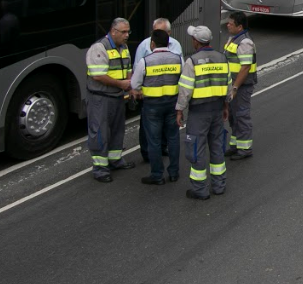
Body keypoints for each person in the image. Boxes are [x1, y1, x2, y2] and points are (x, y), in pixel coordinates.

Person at [176, 25, 231, 200]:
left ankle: (200, 190)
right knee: (216, 147)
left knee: (196, 149)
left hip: (199, 113)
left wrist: (179, 110)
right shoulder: (222, 58)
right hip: (216, 110)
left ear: (196, 41)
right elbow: (228, 87)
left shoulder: (191, 61)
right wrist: (225, 107)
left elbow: (185, 90)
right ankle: (219, 185)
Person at [85, 18, 136, 183]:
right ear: (113, 31)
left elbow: (128, 69)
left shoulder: (124, 48)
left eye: (128, 32)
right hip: (101, 97)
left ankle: (115, 160)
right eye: (123, 32)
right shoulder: (99, 48)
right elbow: (98, 75)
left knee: (117, 130)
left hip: (117, 96)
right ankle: (100, 168)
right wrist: (121, 84)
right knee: (100, 132)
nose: (127, 35)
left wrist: (130, 85)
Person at [130, 29, 182, 185]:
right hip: (172, 104)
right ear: (168, 43)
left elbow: (134, 84)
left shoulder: (145, 61)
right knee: (173, 138)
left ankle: (157, 175)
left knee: (154, 141)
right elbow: (184, 80)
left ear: (152, 43)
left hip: (152, 106)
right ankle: (174, 173)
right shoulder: (178, 59)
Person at [223, 11, 257, 161]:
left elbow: (245, 68)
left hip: (241, 87)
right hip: (233, 84)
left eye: (231, 23)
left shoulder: (245, 43)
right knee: (233, 116)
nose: (227, 25)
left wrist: (235, 88)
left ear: (240, 27)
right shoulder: (234, 39)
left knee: (241, 116)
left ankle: (244, 149)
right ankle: (235, 145)